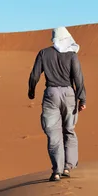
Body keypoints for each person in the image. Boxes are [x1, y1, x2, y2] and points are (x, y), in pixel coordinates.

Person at [28, 26, 87, 182]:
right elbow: (78, 78)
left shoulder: (44, 53)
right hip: (69, 94)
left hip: (51, 94)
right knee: (69, 130)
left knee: (53, 134)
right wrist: (82, 98)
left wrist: (31, 90)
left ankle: (56, 171)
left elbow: (34, 75)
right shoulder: (72, 56)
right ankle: (68, 166)